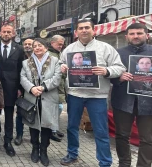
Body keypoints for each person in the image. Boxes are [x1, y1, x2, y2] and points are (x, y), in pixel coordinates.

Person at [59, 20, 126, 166]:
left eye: (87, 28)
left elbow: (120, 67)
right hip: (75, 94)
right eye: (81, 28)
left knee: (100, 130)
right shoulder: (69, 49)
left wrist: (107, 71)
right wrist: (62, 67)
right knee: (71, 127)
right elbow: (60, 63)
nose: (84, 30)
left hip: (97, 96)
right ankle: (72, 154)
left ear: (93, 30)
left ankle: (105, 162)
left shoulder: (105, 48)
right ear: (76, 32)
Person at [111, 23, 152, 167]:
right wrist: (118, 78)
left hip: (148, 103)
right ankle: (124, 163)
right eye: (132, 33)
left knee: (147, 138)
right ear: (126, 36)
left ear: (147, 35)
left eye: (139, 33)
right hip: (123, 101)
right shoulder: (117, 53)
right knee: (122, 136)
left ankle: (144, 165)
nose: (136, 36)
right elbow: (108, 75)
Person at [20, 38, 62, 166]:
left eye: (40, 45)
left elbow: (57, 77)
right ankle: (35, 148)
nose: (37, 48)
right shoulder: (26, 63)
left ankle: (43, 150)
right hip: (32, 97)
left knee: (46, 125)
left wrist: (43, 87)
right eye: (35, 46)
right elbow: (22, 77)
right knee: (33, 125)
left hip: (48, 96)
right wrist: (32, 88)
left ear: (46, 47)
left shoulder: (55, 61)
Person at [0, 24, 25, 157]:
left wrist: (20, 88)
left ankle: (7, 141)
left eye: (9, 32)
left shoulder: (19, 49)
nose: (6, 34)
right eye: (4, 32)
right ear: (0, 33)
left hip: (11, 88)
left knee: (9, 115)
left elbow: (22, 69)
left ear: (13, 33)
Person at [14, 38, 34, 146]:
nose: (27, 46)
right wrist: (18, 88)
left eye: (29, 44)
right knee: (21, 113)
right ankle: (19, 135)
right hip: (22, 89)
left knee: (34, 113)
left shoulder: (38, 56)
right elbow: (17, 73)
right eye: (25, 44)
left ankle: (33, 136)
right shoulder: (19, 56)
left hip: (36, 90)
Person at [47, 35, 66, 142]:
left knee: (58, 108)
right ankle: (51, 130)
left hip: (60, 86)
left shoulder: (59, 53)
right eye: (59, 44)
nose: (60, 46)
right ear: (52, 43)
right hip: (53, 86)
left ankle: (54, 128)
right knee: (55, 109)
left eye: (62, 44)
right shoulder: (49, 54)